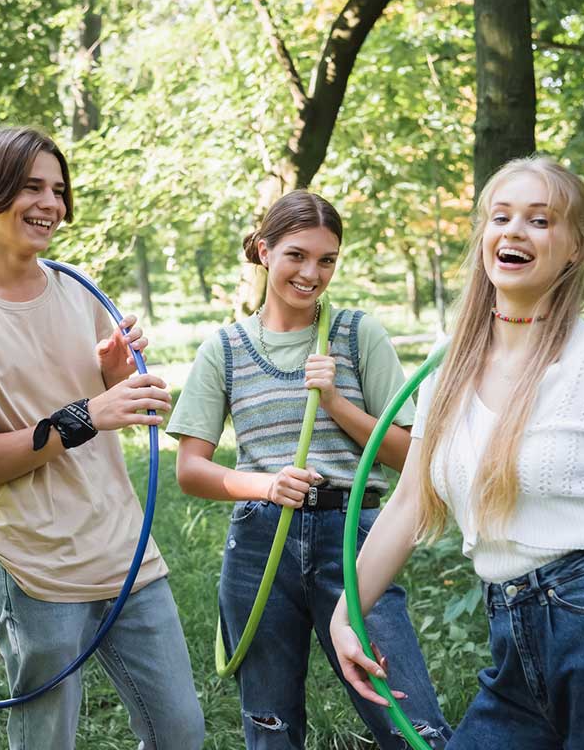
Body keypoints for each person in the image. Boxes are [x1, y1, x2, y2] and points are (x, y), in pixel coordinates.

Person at [330, 157, 584, 750]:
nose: (514, 231)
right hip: (512, 643)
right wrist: (345, 614)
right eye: (501, 216)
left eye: (540, 220)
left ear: (574, 247)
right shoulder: (446, 366)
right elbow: (407, 504)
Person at [0, 126, 205, 750]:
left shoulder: (77, 286)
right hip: (35, 567)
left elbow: (102, 401)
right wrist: (86, 414)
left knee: (181, 731)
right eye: (31, 187)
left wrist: (116, 373)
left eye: (58, 189)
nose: (50, 204)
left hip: (125, 549)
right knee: (46, 741)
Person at [167, 190, 451, 749]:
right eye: (296, 255)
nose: (311, 273)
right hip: (260, 541)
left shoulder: (357, 334)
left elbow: (409, 456)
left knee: (411, 721)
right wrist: (267, 485)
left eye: (326, 260)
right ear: (264, 251)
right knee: (269, 725)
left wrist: (338, 403)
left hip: (352, 537)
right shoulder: (224, 349)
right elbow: (190, 471)